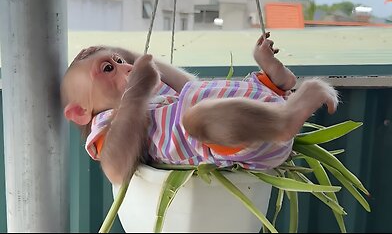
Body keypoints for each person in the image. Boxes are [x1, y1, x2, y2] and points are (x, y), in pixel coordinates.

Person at [61, 32, 339, 185]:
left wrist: (132, 61)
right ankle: (284, 120)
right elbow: (115, 171)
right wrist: (136, 93)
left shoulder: (155, 97)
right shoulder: (107, 126)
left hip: (248, 104)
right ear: (81, 111)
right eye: (108, 68)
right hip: (243, 141)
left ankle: (275, 83)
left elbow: (187, 85)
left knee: (197, 94)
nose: (125, 67)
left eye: (121, 60)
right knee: (196, 118)